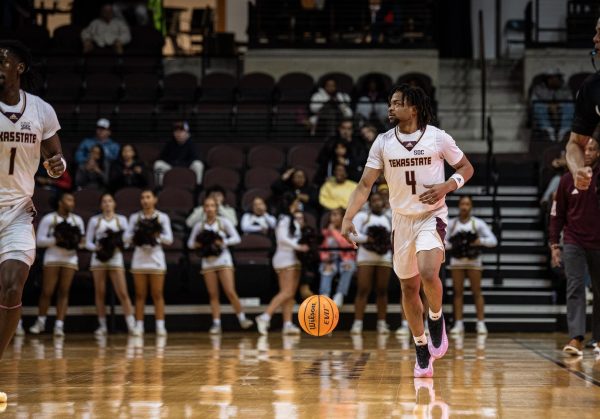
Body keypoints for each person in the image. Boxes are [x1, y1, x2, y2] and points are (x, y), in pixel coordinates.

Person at [341, 84, 474, 378]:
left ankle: (436, 317)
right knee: (409, 288)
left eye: (397, 103)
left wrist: (448, 185)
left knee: (428, 272)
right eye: (390, 103)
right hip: (400, 221)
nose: (391, 108)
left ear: (413, 108)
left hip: (431, 215)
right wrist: (349, 217)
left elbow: (466, 167)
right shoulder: (383, 142)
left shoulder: (438, 137)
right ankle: (420, 345)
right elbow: (365, 185)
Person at [0, 40, 66, 404]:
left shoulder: (40, 110)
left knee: (13, 285)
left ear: (19, 67)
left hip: (16, 213)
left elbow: (56, 158)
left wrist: (58, 166)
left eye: (2, 59)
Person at [550, 137, 600, 356]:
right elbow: (556, 214)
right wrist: (554, 244)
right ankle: (577, 338)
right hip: (573, 241)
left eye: (592, 149)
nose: (587, 152)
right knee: (575, 288)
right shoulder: (566, 180)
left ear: (598, 153)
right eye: (584, 148)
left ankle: (598, 339)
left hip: (598, 242)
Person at [187, 196, 254, 334]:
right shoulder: (199, 226)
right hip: (208, 261)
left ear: (216, 208)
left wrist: (222, 242)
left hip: (223, 260)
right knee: (213, 294)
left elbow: (236, 238)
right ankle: (216, 323)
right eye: (207, 206)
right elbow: (189, 243)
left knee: (230, 291)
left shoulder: (224, 222)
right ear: (204, 209)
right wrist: (197, 244)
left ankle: (242, 318)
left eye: (212, 206)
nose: (210, 208)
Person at [28, 192, 85, 337]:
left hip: (70, 259)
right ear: (60, 202)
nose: (72, 202)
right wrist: (57, 239)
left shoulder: (77, 220)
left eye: (73, 200)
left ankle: (59, 325)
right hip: (52, 258)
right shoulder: (49, 219)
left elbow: (82, 241)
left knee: (64, 292)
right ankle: (40, 322)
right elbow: (39, 241)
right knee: (47, 291)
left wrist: (73, 240)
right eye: (69, 199)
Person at [255, 193, 310, 335]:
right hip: (284, 258)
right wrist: (299, 247)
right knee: (286, 292)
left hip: (294, 259)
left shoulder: (292, 219)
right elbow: (282, 239)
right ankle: (264, 317)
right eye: (296, 201)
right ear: (290, 203)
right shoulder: (284, 218)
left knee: (290, 294)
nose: (298, 204)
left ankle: (287, 324)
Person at [445, 195, 497, 336]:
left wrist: (479, 241)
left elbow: (493, 240)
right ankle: (458, 323)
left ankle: (481, 323)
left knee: (477, 292)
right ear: (458, 206)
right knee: (458, 293)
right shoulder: (452, 223)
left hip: (474, 262)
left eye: (467, 204)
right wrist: (454, 244)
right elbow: (442, 242)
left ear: (471, 206)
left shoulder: (478, 223)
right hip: (457, 262)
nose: (464, 207)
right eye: (462, 204)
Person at [85, 193, 136, 336]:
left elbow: (127, 239)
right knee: (100, 293)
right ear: (101, 205)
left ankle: (131, 325)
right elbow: (88, 241)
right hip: (99, 259)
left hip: (115, 257)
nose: (107, 204)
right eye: (104, 201)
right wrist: (97, 248)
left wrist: (119, 245)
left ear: (114, 204)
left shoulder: (122, 220)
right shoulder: (95, 220)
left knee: (123, 293)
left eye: (110, 201)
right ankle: (102, 326)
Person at [124, 189, 173, 336]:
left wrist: (155, 236)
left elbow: (169, 239)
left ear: (154, 200)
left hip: (156, 259)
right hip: (139, 259)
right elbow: (125, 238)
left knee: (157, 293)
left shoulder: (162, 217)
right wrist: (138, 235)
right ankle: (139, 325)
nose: (145, 200)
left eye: (148, 197)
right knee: (139, 294)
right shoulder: (135, 218)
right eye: (142, 198)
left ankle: (160, 325)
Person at [349, 192, 393, 335]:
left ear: (383, 202)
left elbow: (395, 235)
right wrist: (368, 239)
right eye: (373, 200)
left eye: (379, 200)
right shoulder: (362, 216)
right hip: (365, 257)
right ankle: (357, 323)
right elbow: (351, 234)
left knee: (382, 290)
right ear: (369, 203)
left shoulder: (389, 217)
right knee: (363, 289)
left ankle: (382, 323)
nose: (376, 203)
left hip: (384, 258)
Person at [566, 17, 600, 192]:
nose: (595, 38)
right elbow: (575, 143)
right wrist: (578, 170)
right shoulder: (592, 87)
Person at [319, 207, 356, 308]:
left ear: (342, 217)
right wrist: (325, 257)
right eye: (332, 215)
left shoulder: (348, 230)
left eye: (336, 215)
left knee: (348, 267)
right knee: (326, 269)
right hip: (331, 260)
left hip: (345, 259)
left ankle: (340, 294)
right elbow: (323, 248)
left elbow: (345, 245)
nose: (333, 217)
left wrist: (334, 231)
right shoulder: (326, 232)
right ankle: (325, 296)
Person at [153, 121, 204, 186]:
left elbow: (196, 158)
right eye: (176, 132)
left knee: (198, 164)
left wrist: (181, 164)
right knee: (158, 165)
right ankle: (159, 187)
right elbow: (162, 157)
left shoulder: (192, 143)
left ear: (186, 133)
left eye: (181, 131)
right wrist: (173, 163)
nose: (178, 134)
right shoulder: (170, 143)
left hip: (187, 167)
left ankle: (198, 186)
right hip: (172, 166)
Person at [530, 68, 574, 142]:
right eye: (551, 78)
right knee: (538, 106)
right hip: (545, 111)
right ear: (546, 79)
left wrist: (558, 106)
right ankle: (547, 130)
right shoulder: (538, 89)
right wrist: (548, 106)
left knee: (570, 106)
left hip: (561, 111)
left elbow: (570, 101)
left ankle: (564, 130)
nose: (554, 80)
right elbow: (533, 102)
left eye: (556, 78)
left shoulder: (565, 89)